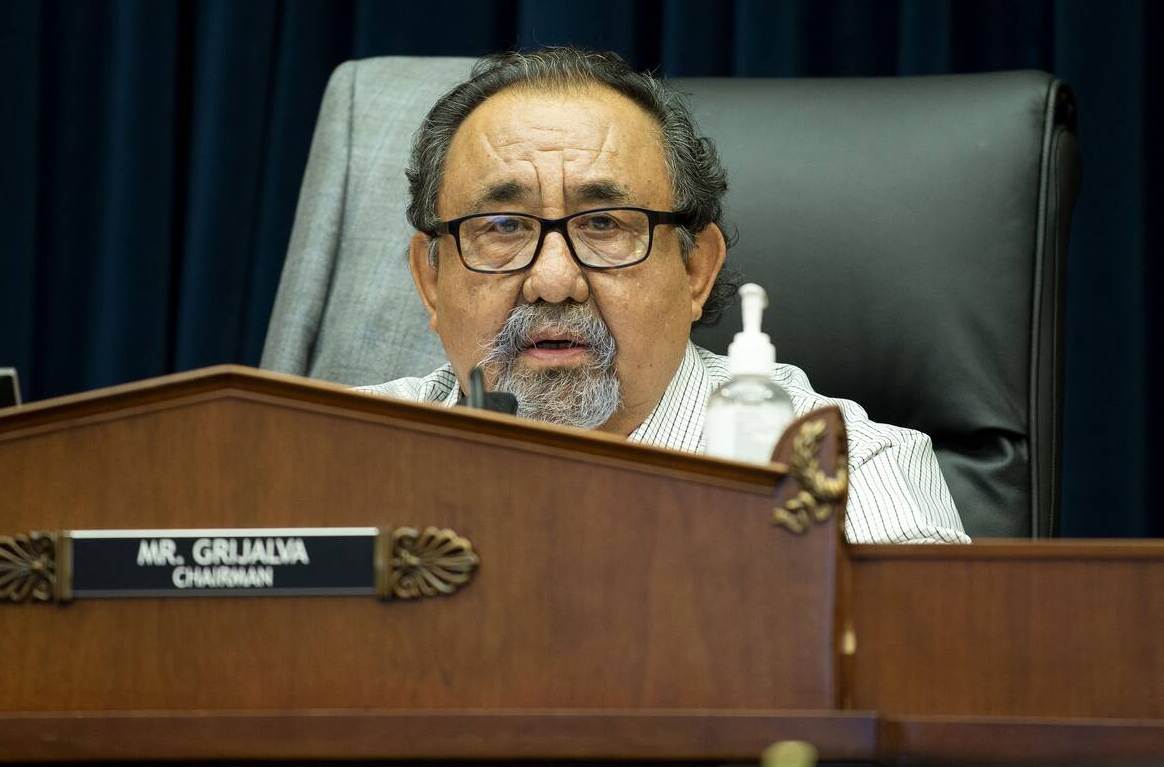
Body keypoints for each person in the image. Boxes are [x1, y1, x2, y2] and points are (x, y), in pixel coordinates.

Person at [359, 47, 968, 545]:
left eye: (603, 225)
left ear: (695, 271)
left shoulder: (846, 480)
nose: (552, 282)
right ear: (431, 280)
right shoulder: (335, 454)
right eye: (502, 228)